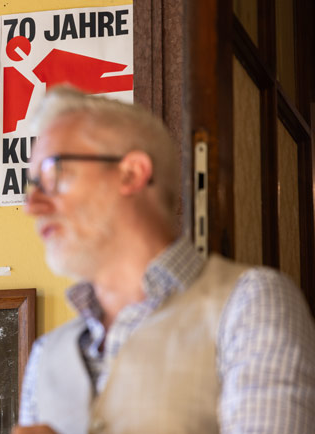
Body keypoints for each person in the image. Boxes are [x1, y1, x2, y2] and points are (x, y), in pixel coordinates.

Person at [17, 87, 315, 433]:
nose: (32, 205)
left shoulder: (251, 304)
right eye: (32, 183)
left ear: (131, 173)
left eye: (55, 174)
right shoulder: (45, 356)